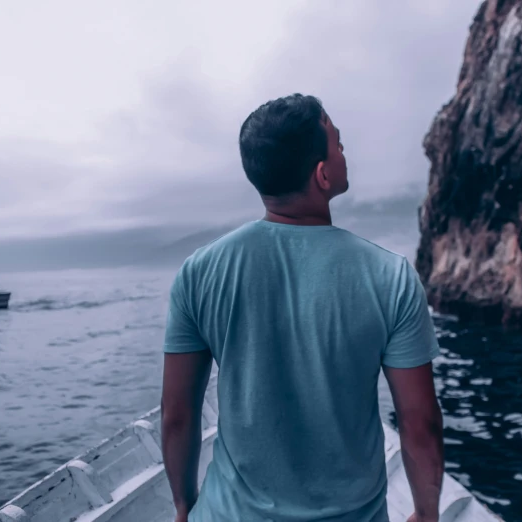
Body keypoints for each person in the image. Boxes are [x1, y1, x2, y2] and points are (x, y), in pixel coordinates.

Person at [161, 94, 444, 522]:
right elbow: (420, 422)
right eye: (338, 142)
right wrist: (426, 514)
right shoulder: (391, 277)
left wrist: (184, 505)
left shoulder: (198, 272)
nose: (345, 151)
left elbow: (178, 415)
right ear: (322, 174)